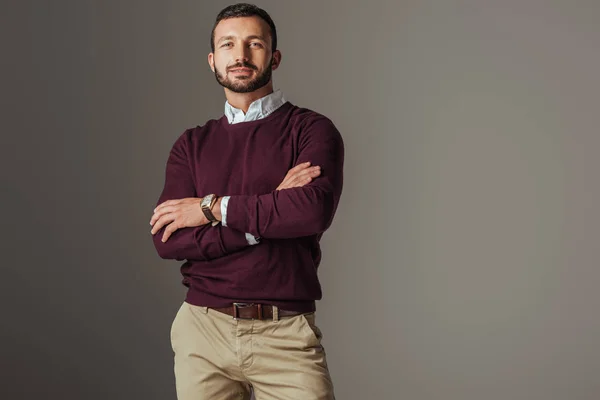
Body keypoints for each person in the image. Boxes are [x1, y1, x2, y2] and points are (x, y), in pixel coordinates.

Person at [149, 3, 344, 399]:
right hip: (202, 331)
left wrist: (209, 208)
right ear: (212, 60)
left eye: (254, 44)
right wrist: (268, 212)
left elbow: (310, 212)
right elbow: (169, 240)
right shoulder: (191, 145)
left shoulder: (311, 130)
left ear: (274, 56)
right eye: (228, 45)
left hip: (285, 333)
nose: (240, 55)